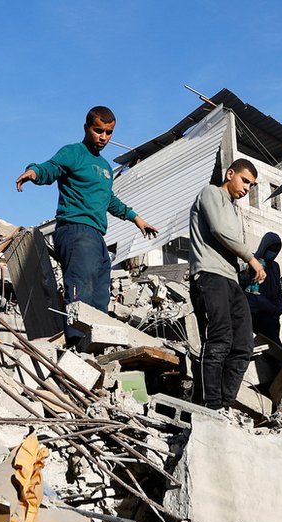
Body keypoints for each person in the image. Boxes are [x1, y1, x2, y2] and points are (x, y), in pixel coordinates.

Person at [16, 106, 158, 346]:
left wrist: (136, 219)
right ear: (86, 128)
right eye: (98, 130)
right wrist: (34, 172)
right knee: (80, 292)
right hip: (75, 230)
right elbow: (50, 167)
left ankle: (93, 348)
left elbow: (108, 199)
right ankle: (76, 348)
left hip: (97, 236)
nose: (103, 137)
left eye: (109, 132)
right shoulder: (73, 152)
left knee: (100, 295)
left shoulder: (104, 168)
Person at [188, 157, 266, 409]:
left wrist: (247, 268)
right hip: (209, 276)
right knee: (219, 339)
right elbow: (220, 230)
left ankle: (224, 404)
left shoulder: (234, 208)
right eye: (245, 181)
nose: (247, 188)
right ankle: (209, 405)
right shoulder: (210, 193)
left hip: (231, 280)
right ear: (230, 174)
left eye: (252, 185)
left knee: (243, 345)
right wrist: (251, 258)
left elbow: (231, 243)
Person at [247, 232, 282, 343]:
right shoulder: (254, 263)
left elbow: (279, 293)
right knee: (272, 347)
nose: (274, 253)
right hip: (258, 314)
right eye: (272, 249)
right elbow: (253, 292)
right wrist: (271, 308)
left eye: (277, 250)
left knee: (274, 348)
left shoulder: (275, 267)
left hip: (273, 317)